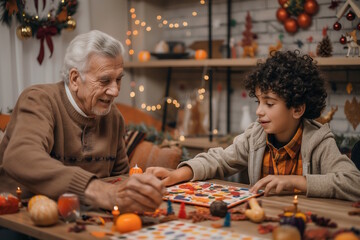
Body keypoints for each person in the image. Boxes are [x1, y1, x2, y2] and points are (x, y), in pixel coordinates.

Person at [146, 50, 360, 201]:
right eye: (258, 101)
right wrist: (177, 174)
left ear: (297, 109)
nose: (259, 111)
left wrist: (298, 182)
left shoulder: (319, 140)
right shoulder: (256, 135)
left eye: (269, 103)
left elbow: (353, 183)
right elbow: (219, 160)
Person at [0, 30, 165, 212]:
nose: (115, 91)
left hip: (86, 217)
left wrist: (135, 192)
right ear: (75, 79)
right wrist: (100, 191)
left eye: (118, 79)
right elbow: (20, 157)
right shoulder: (39, 100)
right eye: (105, 80)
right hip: (20, 216)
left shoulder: (113, 117)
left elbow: (119, 177)